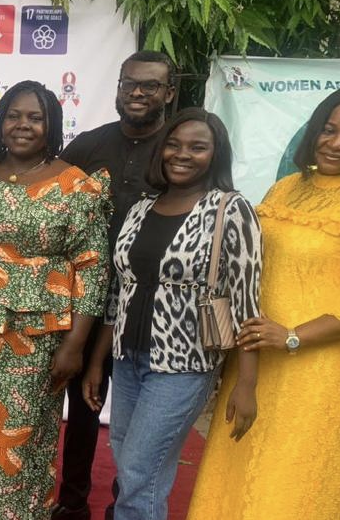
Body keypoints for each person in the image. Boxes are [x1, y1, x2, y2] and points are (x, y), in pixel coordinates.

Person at [186, 85, 340, 520]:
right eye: (329, 129)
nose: (337, 143)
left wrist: (291, 336)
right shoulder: (285, 189)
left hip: (317, 371)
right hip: (255, 359)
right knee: (237, 467)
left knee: (287, 482)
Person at [0, 81, 111, 520]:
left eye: (35, 118)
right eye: (14, 115)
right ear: (0, 122)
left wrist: (75, 344)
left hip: (38, 341)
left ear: (52, 124)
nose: (23, 125)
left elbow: (93, 268)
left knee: (25, 438)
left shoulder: (76, 185)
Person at [87, 108, 261, 520]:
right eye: (174, 144)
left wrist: (246, 384)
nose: (182, 154)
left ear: (215, 155)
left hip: (184, 365)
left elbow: (247, 304)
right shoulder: (142, 207)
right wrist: (97, 361)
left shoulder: (230, 210)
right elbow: (119, 290)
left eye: (197, 147)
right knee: (132, 465)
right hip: (127, 360)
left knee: (139, 472)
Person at [54, 50, 175, 520]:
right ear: (119, 87)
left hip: (152, 305)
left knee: (137, 414)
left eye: (150, 85)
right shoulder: (88, 146)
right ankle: (72, 503)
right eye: (130, 84)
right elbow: (50, 202)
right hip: (84, 298)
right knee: (82, 407)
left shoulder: (177, 149)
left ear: (168, 93)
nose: (138, 93)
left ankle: (127, 505)